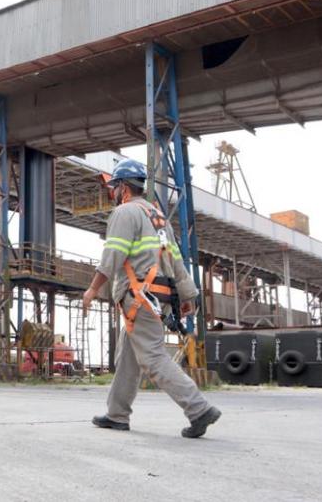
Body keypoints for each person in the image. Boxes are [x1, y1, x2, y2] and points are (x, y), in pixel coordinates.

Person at [82, 158, 221, 438]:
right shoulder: (158, 217)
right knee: (128, 357)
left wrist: (93, 289)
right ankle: (117, 414)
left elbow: (113, 255)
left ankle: (198, 408)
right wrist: (187, 295)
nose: (112, 193)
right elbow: (176, 259)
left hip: (140, 296)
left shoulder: (125, 212)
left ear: (123, 188)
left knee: (153, 357)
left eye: (114, 188)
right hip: (159, 295)